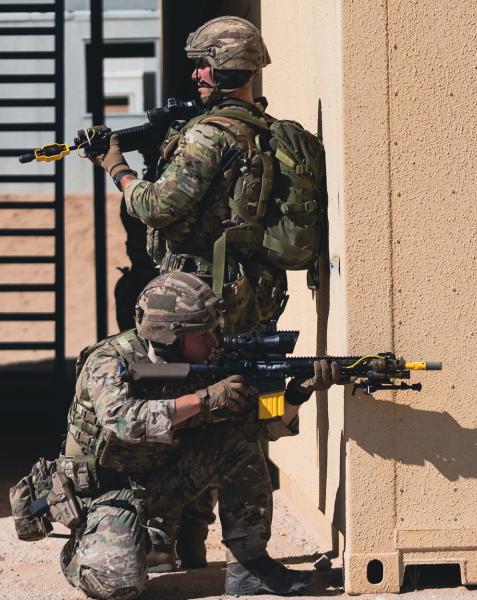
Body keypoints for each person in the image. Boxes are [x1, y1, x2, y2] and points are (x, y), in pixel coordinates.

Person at [85, 15, 318, 569]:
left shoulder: (210, 135)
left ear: (223, 69)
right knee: (230, 409)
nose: (195, 76)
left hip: (200, 299)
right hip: (250, 291)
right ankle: (194, 539)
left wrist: (115, 167)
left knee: (188, 407)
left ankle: (172, 537)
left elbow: (156, 206)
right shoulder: (263, 129)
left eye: (204, 66)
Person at [58, 272, 342, 598]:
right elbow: (125, 421)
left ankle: (248, 568)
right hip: (103, 494)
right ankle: (82, 550)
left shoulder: (207, 361)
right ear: (170, 336)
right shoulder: (109, 362)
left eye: (214, 331)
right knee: (118, 583)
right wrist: (203, 399)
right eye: (203, 334)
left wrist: (296, 396)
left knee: (234, 442)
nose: (214, 343)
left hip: (157, 483)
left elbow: (257, 425)